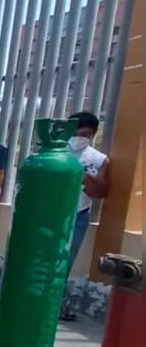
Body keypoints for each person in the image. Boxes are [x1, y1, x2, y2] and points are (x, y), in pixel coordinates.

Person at [60, 111, 110, 322]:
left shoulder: (99, 159)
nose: (79, 136)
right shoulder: (58, 151)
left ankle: (58, 303)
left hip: (78, 216)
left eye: (85, 133)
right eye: (76, 132)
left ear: (94, 134)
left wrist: (86, 177)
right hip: (50, 213)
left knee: (64, 262)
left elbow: (99, 192)